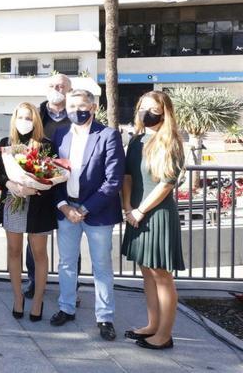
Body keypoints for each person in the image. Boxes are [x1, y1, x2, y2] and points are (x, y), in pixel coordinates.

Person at [49, 89, 125, 342]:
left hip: (97, 213)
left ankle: (105, 317)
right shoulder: (60, 135)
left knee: (101, 267)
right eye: (71, 106)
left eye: (81, 106)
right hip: (66, 211)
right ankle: (66, 308)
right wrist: (64, 206)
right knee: (66, 264)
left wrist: (84, 209)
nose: (76, 111)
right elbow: (53, 177)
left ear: (93, 107)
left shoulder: (108, 135)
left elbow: (112, 181)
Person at [121, 90, 185, 350]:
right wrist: (127, 207)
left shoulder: (170, 141)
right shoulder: (136, 141)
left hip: (157, 215)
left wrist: (140, 210)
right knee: (146, 271)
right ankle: (152, 325)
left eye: (152, 109)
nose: (145, 113)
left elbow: (166, 184)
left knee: (162, 275)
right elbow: (127, 176)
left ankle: (164, 335)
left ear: (164, 112)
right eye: (142, 108)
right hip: (136, 213)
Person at [0, 103, 57, 322]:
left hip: (39, 207)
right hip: (14, 203)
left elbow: (53, 177)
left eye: (28, 118)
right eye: (20, 117)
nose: (24, 122)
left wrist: (36, 186)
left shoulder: (47, 145)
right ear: (14, 119)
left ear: (36, 121)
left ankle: (38, 300)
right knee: (13, 251)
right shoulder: (6, 144)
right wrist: (11, 185)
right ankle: (18, 297)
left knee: (39, 254)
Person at [25, 73, 74, 298]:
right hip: (38, 186)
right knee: (34, 240)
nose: (58, 89)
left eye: (62, 86)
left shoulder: (77, 114)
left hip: (69, 186)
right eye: (53, 85)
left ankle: (70, 289)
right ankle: (35, 282)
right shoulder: (35, 115)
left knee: (70, 244)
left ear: (69, 90)